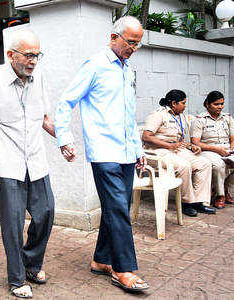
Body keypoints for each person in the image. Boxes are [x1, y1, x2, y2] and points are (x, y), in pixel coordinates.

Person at [54, 16, 149, 293]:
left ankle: (101, 259)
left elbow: (129, 115)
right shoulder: (94, 65)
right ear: (113, 38)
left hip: (126, 152)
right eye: (130, 42)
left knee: (116, 207)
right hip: (104, 151)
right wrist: (64, 138)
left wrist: (137, 148)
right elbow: (66, 101)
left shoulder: (127, 69)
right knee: (119, 208)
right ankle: (123, 268)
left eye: (137, 44)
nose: (133, 48)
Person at [0, 28, 55, 299]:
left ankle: (31, 262)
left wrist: (64, 140)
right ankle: (17, 279)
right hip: (7, 164)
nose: (33, 61)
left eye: (37, 55)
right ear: (11, 54)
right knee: (13, 224)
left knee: (46, 214)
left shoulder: (37, 77)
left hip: (36, 161)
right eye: (28, 55)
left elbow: (44, 117)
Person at [142, 89, 216, 217]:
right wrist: (169, 146)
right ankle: (186, 203)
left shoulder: (179, 115)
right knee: (184, 165)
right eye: (183, 103)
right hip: (158, 151)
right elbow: (146, 137)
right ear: (173, 103)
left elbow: (178, 139)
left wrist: (191, 146)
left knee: (204, 163)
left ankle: (198, 202)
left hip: (175, 149)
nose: (185, 106)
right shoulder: (158, 115)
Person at [191, 91, 234, 209]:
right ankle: (220, 196)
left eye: (222, 104)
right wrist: (216, 149)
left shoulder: (228, 118)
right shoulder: (200, 119)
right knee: (219, 165)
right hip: (208, 150)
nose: (220, 107)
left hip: (227, 150)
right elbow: (195, 142)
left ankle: (226, 188)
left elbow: (232, 138)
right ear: (207, 104)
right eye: (216, 104)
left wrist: (231, 150)